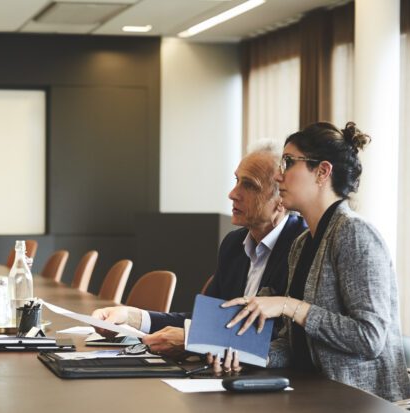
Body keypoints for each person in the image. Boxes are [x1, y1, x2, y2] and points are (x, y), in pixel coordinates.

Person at [222, 121, 410, 401]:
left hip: (363, 406)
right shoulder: (302, 243)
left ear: (322, 172)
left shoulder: (355, 234)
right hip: (313, 396)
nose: (278, 176)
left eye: (288, 163)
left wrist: (291, 306)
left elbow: (369, 338)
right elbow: (293, 344)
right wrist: (243, 354)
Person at [92, 141, 307, 355]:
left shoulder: (302, 247)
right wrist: (131, 316)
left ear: (281, 199)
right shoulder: (233, 244)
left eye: (249, 185)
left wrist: (193, 340)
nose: (233, 193)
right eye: (237, 180)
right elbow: (206, 322)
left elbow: (285, 339)